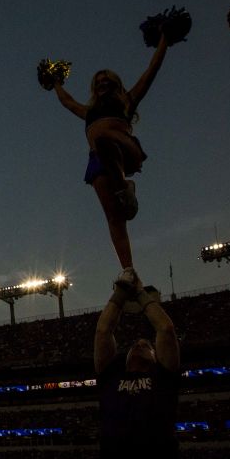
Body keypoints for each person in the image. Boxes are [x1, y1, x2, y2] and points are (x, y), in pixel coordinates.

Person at [90, 271, 195, 459]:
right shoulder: (111, 376)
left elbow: (165, 328)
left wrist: (140, 293)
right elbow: (102, 331)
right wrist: (120, 295)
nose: (139, 342)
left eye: (145, 343)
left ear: (155, 354)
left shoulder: (164, 375)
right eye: (135, 343)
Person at [50, 32, 173, 277]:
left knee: (105, 140)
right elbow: (67, 102)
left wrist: (164, 40)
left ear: (117, 84)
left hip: (124, 150)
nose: (103, 83)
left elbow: (152, 69)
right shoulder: (88, 111)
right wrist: (55, 82)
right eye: (99, 82)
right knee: (114, 218)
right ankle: (128, 269)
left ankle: (124, 186)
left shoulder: (128, 100)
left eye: (107, 80)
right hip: (98, 161)